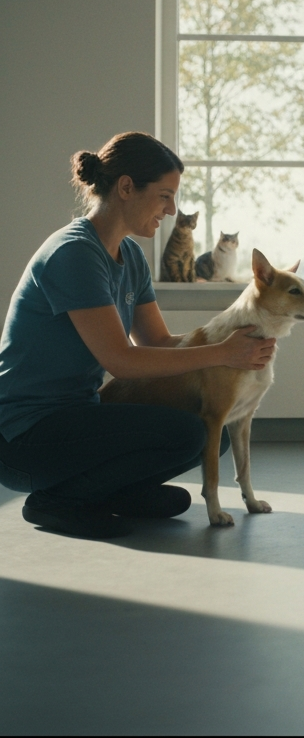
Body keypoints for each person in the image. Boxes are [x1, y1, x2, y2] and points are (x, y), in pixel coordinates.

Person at [0, 132, 275, 539]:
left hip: (78, 415)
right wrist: (221, 353)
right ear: (127, 187)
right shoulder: (74, 253)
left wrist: (225, 340)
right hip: (24, 439)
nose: (172, 209)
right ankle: (57, 501)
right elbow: (122, 362)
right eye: (165, 195)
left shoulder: (129, 256)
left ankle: (107, 493)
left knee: (208, 433)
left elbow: (158, 344)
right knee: (189, 433)